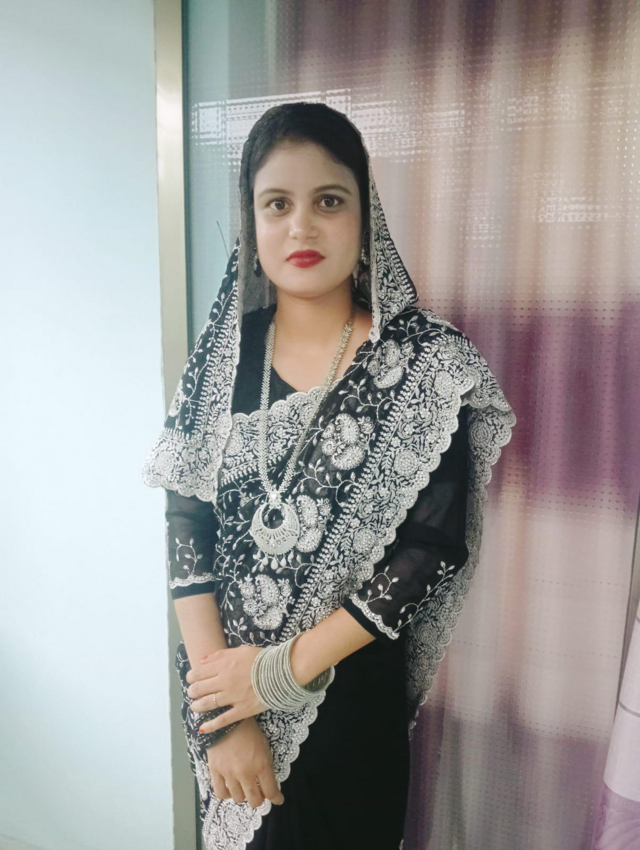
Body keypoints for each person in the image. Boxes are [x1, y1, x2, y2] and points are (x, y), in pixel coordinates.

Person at [142, 102, 516, 850]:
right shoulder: (217, 367)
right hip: (226, 708)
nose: (302, 228)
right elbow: (188, 531)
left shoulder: (426, 368)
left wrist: (276, 675)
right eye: (277, 204)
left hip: (348, 710)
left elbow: (431, 550)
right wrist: (226, 715)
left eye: (329, 201)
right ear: (251, 223)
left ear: (364, 215)